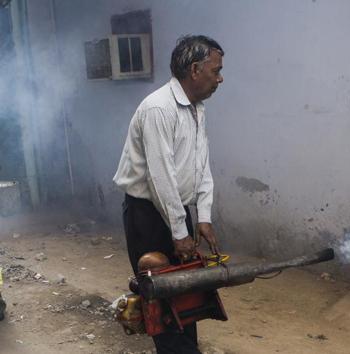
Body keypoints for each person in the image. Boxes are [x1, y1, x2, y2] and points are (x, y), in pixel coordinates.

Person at [113, 35, 224, 354]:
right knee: (160, 301)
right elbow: (161, 177)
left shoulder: (196, 108)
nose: (220, 77)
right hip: (147, 216)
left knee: (186, 295)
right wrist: (179, 232)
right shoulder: (158, 109)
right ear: (194, 69)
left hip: (176, 213)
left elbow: (202, 164)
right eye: (215, 70)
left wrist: (202, 216)